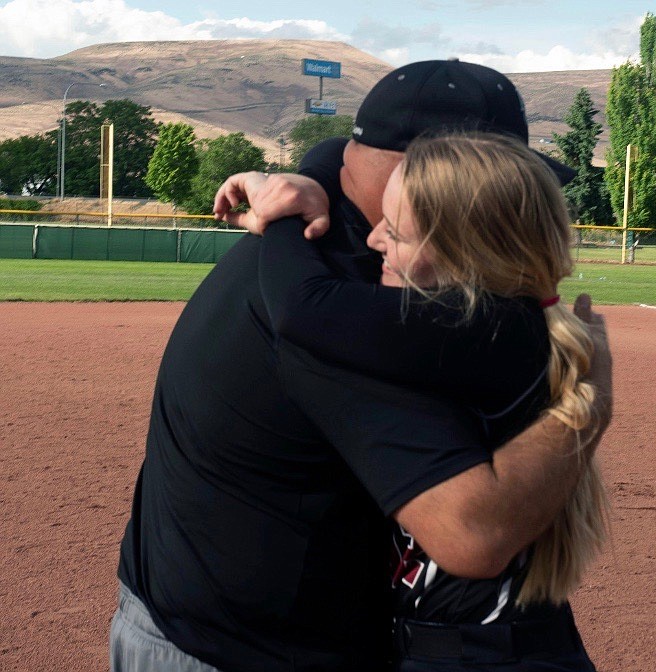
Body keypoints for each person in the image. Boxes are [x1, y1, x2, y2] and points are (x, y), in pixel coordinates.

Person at [111, 60, 613, 672]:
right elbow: (472, 532)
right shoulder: (367, 288)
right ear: (427, 175)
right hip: (241, 651)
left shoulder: (359, 267)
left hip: (204, 624)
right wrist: (588, 408)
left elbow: (336, 189)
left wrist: (299, 194)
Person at [243, 132, 608, 670]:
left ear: (465, 250)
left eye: (396, 231)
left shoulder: (484, 330)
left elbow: (303, 311)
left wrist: (283, 212)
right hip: (498, 646)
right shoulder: (503, 326)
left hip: (482, 658)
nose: (371, 243)